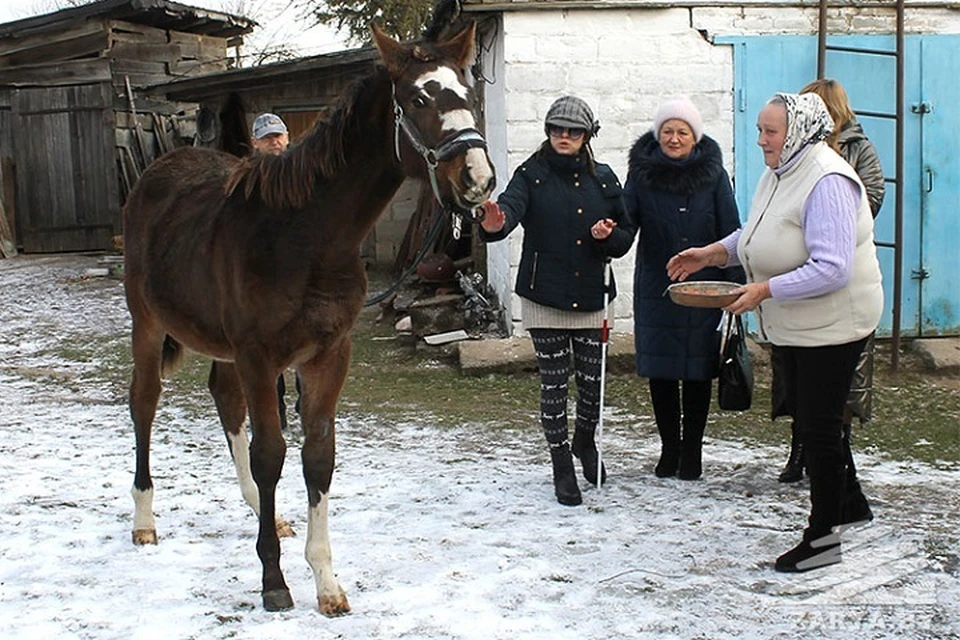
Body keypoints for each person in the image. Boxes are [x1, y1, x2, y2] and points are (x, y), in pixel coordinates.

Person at [666, 93, 883, 572]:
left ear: (800, 131)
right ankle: (850, 503)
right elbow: (760, 232)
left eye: (770, 131)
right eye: (760, 129)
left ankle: (823, 541)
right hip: (796, 322)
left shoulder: (827, 181)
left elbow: (832, 269)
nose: (761, 139)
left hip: (833, 322)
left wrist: (763, 289)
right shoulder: (783, 170)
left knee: (819, 428)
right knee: (808, 415)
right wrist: (713, 253)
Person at [478, 96, 633, 506]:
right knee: (554, 382)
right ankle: (561, 463)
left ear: (587, 136)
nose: (564, 137)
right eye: (556, 129)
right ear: (547, 131)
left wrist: (608, 237)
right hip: (544, 295)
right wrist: (497, 224)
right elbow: (509, 209)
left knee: (592, 384)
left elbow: (626, 235)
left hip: (594, 295)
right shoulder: (531, 174)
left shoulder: (605, 179)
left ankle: (586, 441)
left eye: (573, 131)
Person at [773, 79, 885, 513]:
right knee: (803, 395)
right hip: (800, 293)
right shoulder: (791, 165)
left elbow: (870, 197)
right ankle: (847, 496)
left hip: (836, 296)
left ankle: (824, 533)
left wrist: (828, 220)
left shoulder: (840, 163)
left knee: (832, 400)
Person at [622, 96, 744, 481]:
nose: (674, 139)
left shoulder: (714, 175)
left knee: (696, 371)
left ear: (695, 136)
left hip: (704, 289)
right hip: (658, 285)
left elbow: (732, 230)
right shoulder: (641, 175)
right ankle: (669, 449)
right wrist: (606, 235)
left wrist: (733, 290)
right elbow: (626, 224)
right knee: (661, 372)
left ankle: (692, 451)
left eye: (682, 132)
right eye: (668, 132)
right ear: (658, 136)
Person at [250, 112, 300, 429]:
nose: (275, 142)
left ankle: (306, 404)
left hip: (298, 271)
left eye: (278, 135)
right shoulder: (248, 178)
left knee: (305, 340)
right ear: (255, 143)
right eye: (267, 137)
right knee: (270, 346)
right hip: (263, 274)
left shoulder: (300, 174)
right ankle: (275, 407)